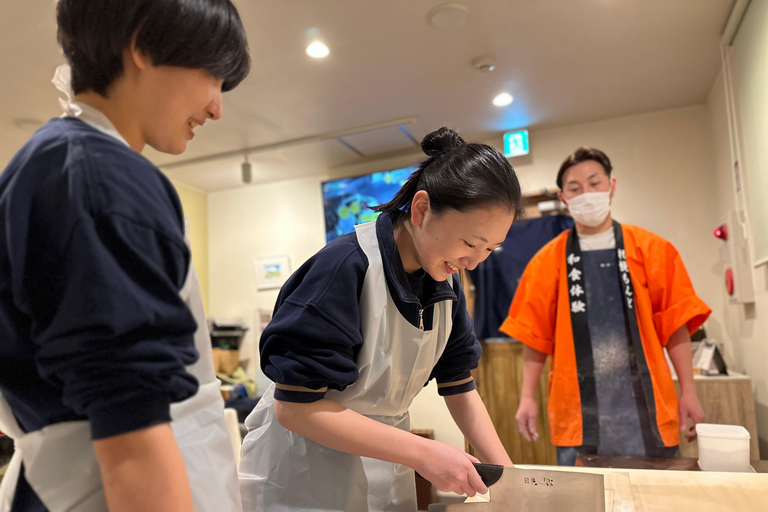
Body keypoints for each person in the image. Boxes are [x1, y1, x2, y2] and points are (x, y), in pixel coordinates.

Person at [0, 1, 250, 511]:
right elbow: (131, 439)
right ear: (142, 43)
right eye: (214, 77)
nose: (217, 107)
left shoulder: (63, 164)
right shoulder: (100, 179)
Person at [239, 127, 520, 512]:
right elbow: (295, 406)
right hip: (302, 472)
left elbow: (460, 387)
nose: (475, 261)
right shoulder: (343, 269)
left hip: (384, 463)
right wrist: (423, 452)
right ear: (421, 210)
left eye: (489, 248)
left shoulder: (445, 282)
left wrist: (509, 479)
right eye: (470, 243)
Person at [500, 147, 710, 466]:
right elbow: (535, 337)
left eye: (595, 183)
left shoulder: (654, 250)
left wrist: (689, 391)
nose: (586, 193)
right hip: (579, 412)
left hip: (650, 408)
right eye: (575, 188)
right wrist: (527, 397)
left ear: (611, 186)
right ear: (563, 198)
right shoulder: (545, 262)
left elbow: (675, 325)